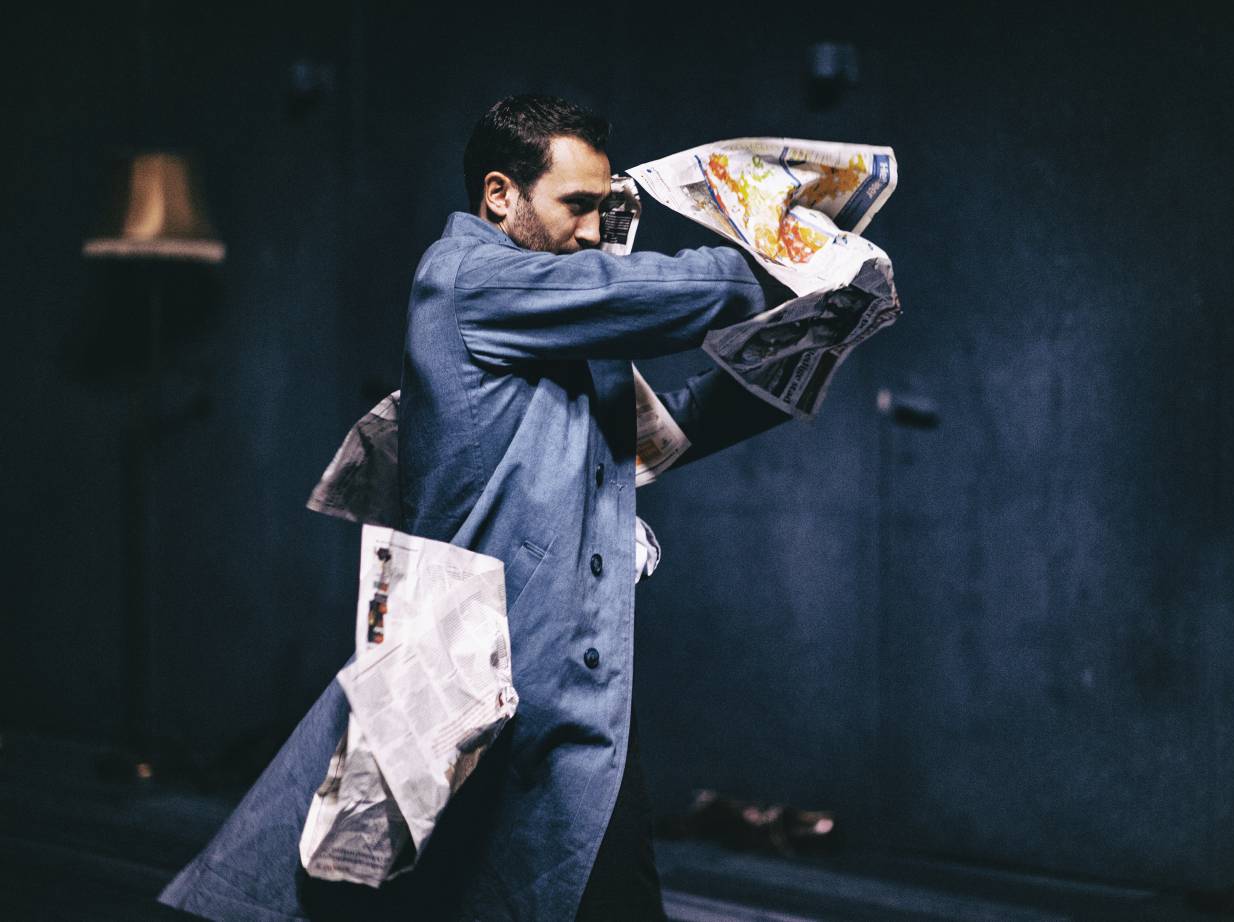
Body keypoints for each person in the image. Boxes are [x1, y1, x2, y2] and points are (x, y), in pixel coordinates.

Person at [159, 94, 792, 921]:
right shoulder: (463, 279)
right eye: (576, 204)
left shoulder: (562, 318)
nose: (593, 231)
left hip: (572, 687)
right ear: (500, 194)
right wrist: (782, 261)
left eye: (602, 208)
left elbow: (659, 435)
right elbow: (668, 292)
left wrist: (800, 352)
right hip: (470, 680)